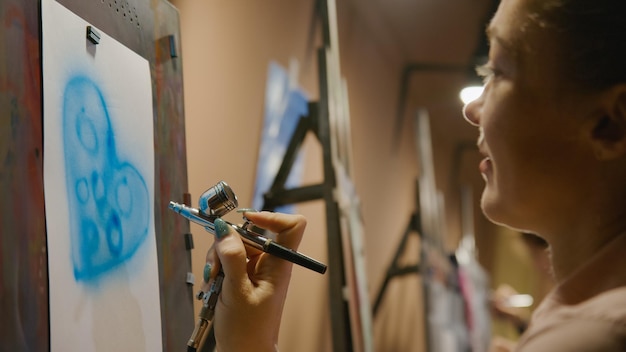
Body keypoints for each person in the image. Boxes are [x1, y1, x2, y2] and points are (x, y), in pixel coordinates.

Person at [205, 0, 626, 350]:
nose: (471, 109)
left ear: (610, 123)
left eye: (498, 71)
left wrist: (247, 345)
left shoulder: (595, 335)